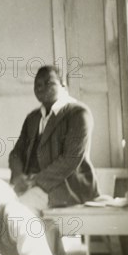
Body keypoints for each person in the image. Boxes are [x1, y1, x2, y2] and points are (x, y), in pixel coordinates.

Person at [9, 65, 98, 210]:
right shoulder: (33, 118)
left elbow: (70, 159)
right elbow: (16, 153)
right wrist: (18, 176)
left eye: (49, 83)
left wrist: (35, 181)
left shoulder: (78, 114)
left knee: (15, 210)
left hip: (67, 189)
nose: (41, 87)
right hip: (32, 187)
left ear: (63, 85)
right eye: (37, 84)